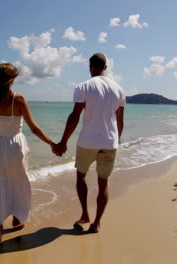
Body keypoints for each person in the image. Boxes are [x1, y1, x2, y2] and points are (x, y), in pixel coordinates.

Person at [0, 63, 56, 244]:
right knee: (18, 182)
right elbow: (34, 128)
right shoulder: (20, 99)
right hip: (16, 145)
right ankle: (17, 219)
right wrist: (52, 143)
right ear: (12, 79)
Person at [54, 53, 125, 233]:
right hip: (110, 142)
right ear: (105, 68)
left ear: (90, 67)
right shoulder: (118, 89)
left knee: (81, 175)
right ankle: (96, 224)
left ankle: (85, 214)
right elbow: (120, 122)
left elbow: (74, 117)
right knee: (103, 183)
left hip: (88, 141)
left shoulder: (83, 86)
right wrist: (116, 140)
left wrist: (63, 142)